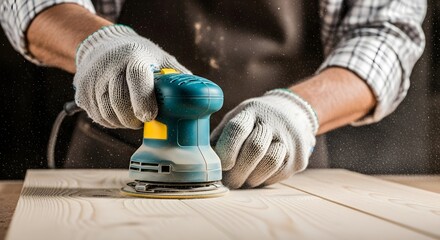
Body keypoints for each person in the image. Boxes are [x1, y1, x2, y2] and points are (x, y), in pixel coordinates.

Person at [0, 0, 426, 188]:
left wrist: (299, 111)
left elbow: (384, 34)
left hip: (277, 162)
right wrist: (98, 44)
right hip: (112, 155)